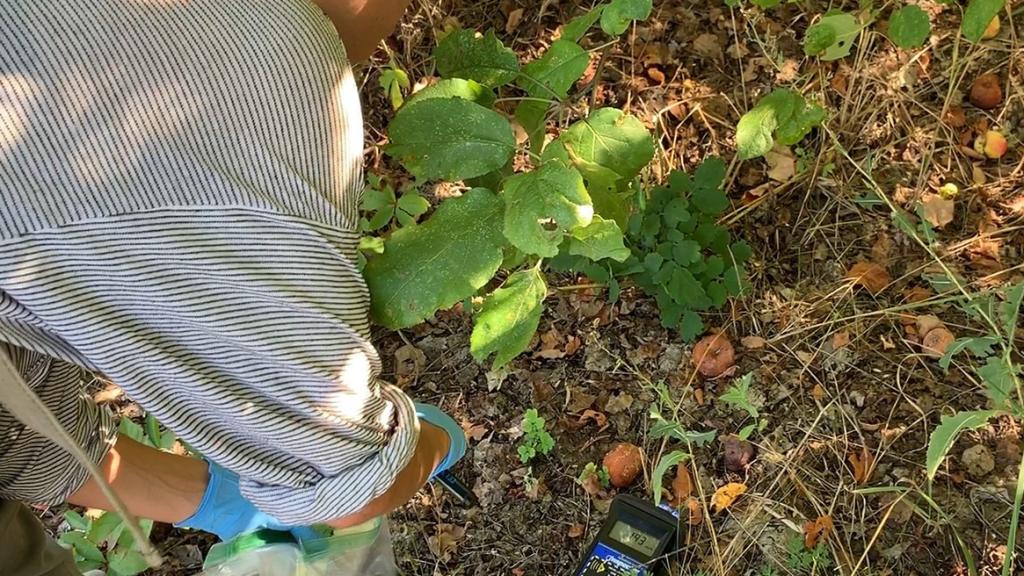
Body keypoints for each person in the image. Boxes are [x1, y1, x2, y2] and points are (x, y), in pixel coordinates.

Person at [0, 1, 467, 574]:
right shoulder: (249, 165)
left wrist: (218, 502)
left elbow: (14, 416)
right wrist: (435, 441)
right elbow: (355, 491)